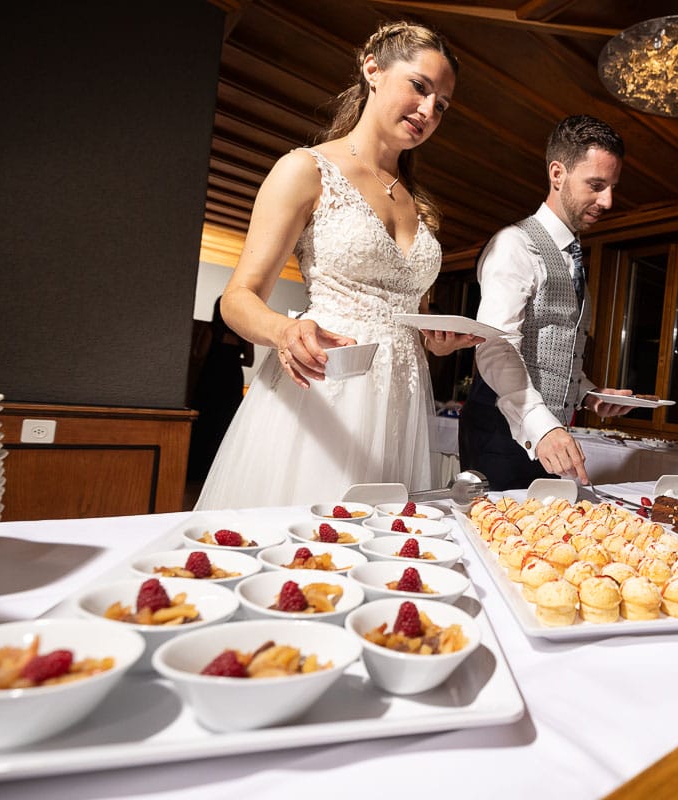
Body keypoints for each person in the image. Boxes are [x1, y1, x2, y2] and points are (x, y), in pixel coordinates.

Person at [195, 20, 480, 510]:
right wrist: (283, 333)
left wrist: (433, 341)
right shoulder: (305, 170)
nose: (429, 110)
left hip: (403, 401)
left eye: (443, 105)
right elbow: (237, 298)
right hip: (325, 389)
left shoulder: (421, 206)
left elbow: (409, 312)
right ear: (373, 69)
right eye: (419, 86)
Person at [458, 115, 638, 490]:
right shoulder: (514, 244)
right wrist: (543, 428)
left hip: (546, 436)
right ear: (557, 174)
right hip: (502, 437)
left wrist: (589, 395)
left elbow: (551, 351)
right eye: (596, 185)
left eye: (612, 187)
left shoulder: (571, 257)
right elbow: (495, 346)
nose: (608, 200)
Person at [187, 296, 254, 483]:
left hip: (212, 378)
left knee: (206, 422)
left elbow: (199, 355)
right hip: (231, 379)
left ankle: (197, 472)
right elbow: (249, 361)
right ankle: (219, 473)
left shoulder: (212, 330)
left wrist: (219, 359)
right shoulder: (244, 334)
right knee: (226, 423)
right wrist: (231, 361)